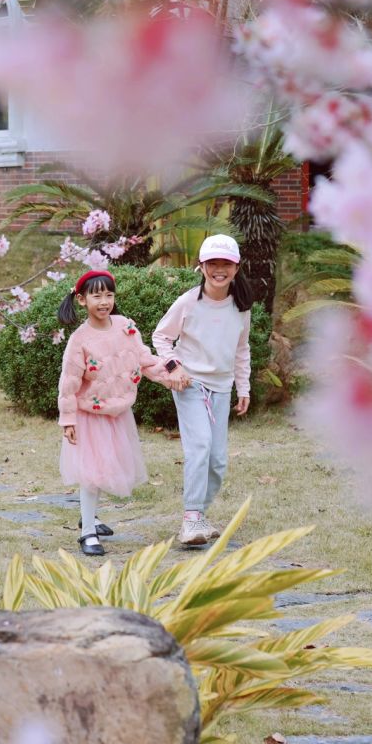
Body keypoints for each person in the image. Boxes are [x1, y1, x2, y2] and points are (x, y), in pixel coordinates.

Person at [57, 268, 186, 557]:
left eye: (109, 294)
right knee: (92, 472)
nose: (104, 301)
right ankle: (87, 532)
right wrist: (67, 418)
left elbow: (144, 359)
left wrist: (171, 377)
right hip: (90, 415)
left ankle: (90, 517)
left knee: (104, 469)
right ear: (81, 300)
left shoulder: (126, 326)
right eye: (97, 295)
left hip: (118, 414)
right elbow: (69, 382)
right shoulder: (79, 340)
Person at [153, 234, 253, 548]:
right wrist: (174, 367)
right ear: (202, 266)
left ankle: (201, 515)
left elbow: (242, 349)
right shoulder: (188, 302)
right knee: (200, 448)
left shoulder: (241, 307)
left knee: (218, 461)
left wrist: (243, 386)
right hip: (190, 384)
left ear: (236, 267)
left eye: (226, 263)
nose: (219, 270)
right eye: (212, 263)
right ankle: (191, 519)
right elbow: (161, 337)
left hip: (222, 388)